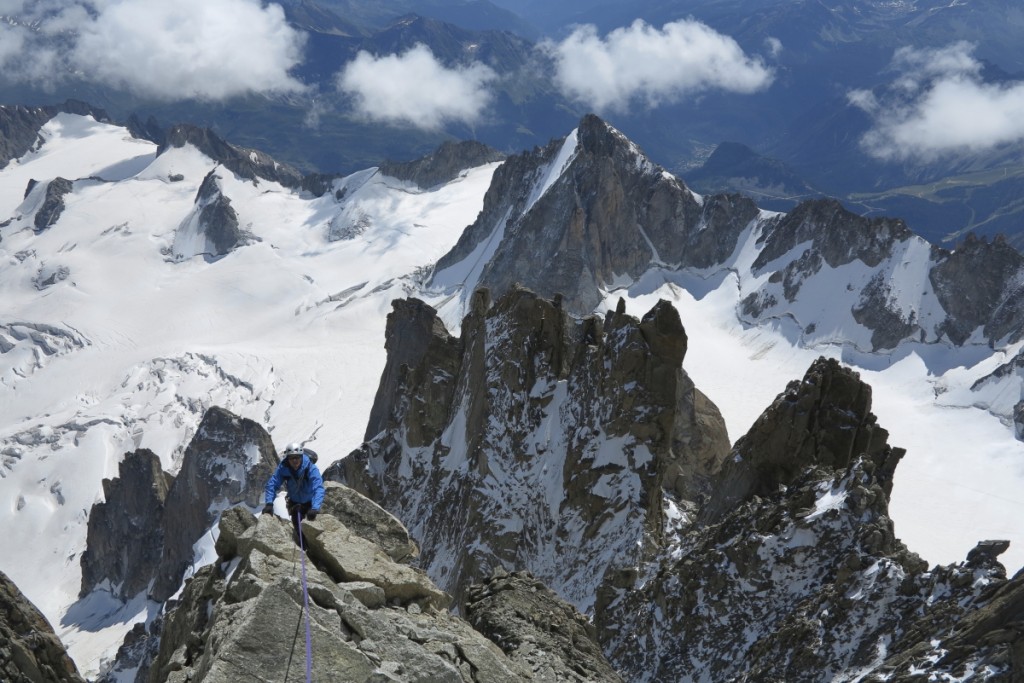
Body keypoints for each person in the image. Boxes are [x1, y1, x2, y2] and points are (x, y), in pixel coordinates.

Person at [262, 442, 325, 546]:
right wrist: (269, 503)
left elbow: (318, 487)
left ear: (301, 457)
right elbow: (272, 484)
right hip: (295, 505)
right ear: (288, 458)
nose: (295, 460)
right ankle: (305, 551)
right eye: (292, 458)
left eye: (297, 457)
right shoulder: (283, 468)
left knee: (314, 533)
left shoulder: (310, 468)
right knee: (299, 531)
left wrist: (315, 507)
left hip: (310, 504)